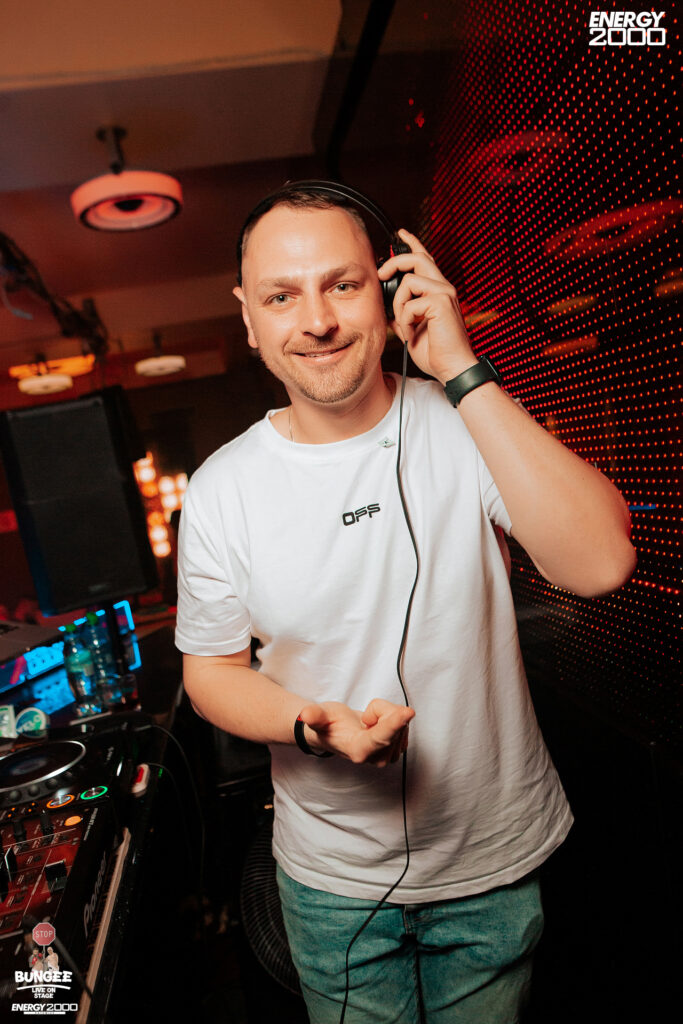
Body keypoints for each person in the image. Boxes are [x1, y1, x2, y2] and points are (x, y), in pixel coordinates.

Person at [175, 183, 636, 1023]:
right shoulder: (218, 492)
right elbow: (210, 673)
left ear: (391, 289)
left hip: (492, 862)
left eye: (342, 285)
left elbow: (600, 563)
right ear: (248, 318)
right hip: (332, 885)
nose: (316, 321)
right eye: (282, 296)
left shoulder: (466, 422)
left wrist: (461, 370)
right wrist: (310, 724)